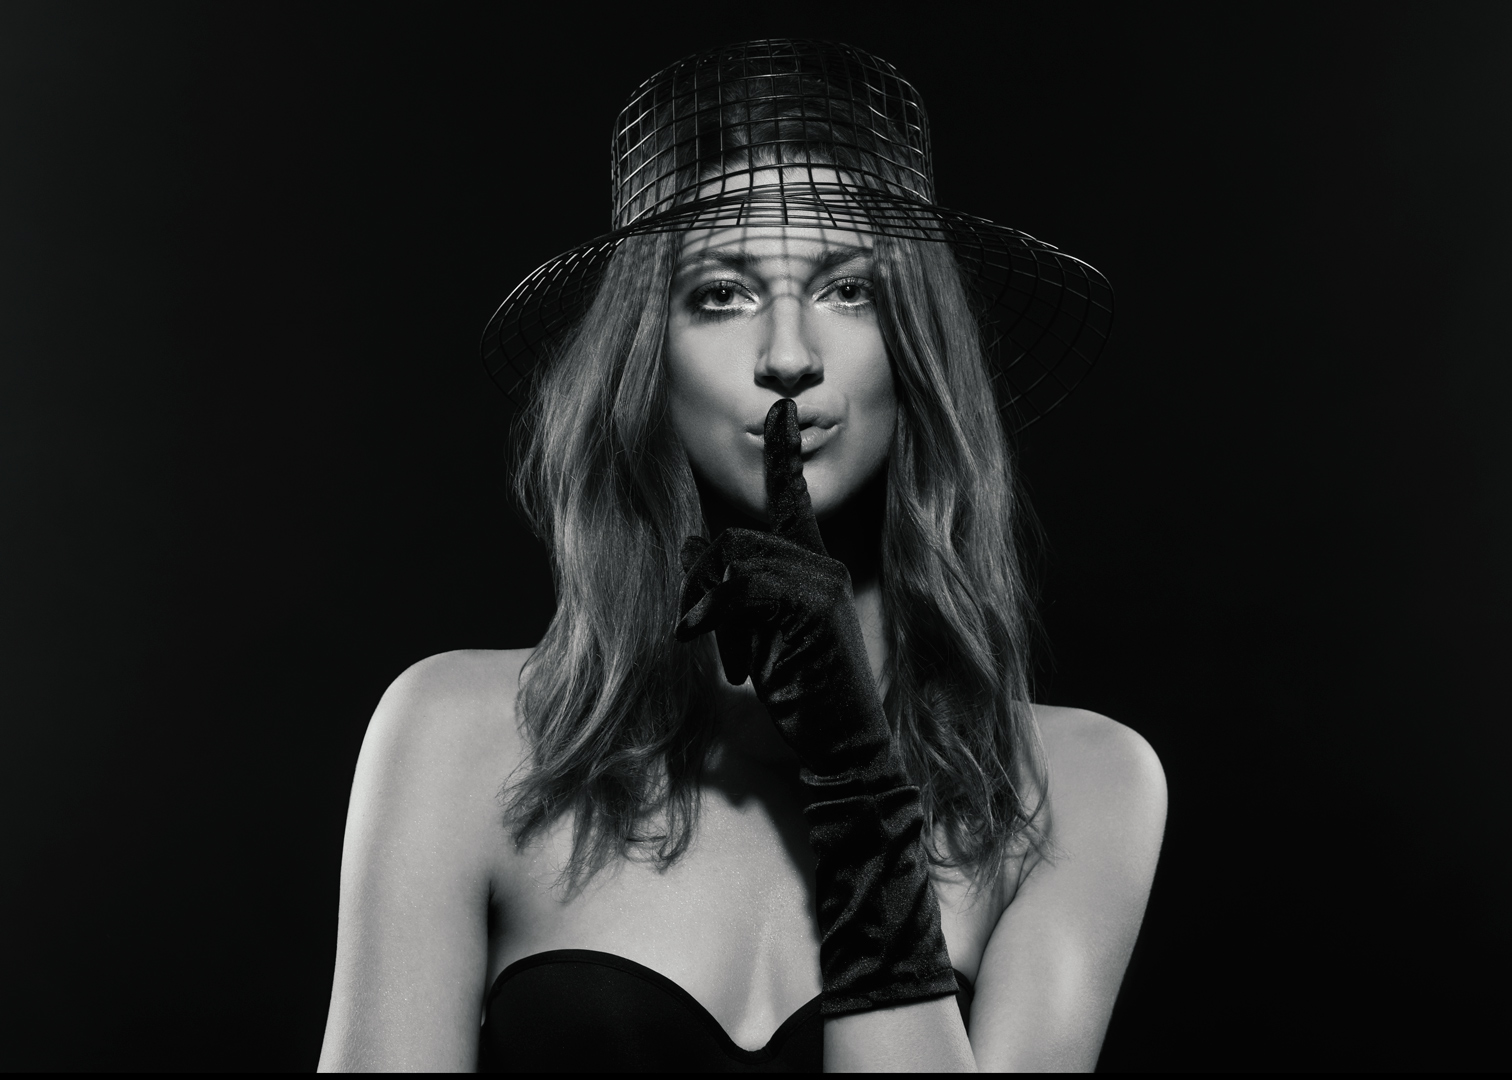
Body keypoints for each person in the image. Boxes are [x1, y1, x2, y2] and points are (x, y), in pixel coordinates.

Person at [317, 39, 1166, 1072]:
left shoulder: (1077, 789)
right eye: (719, 294)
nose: (790, 352)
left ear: (917, 349)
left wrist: (856, 778)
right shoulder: (457, 741)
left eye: (850, 289)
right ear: (648, 362)